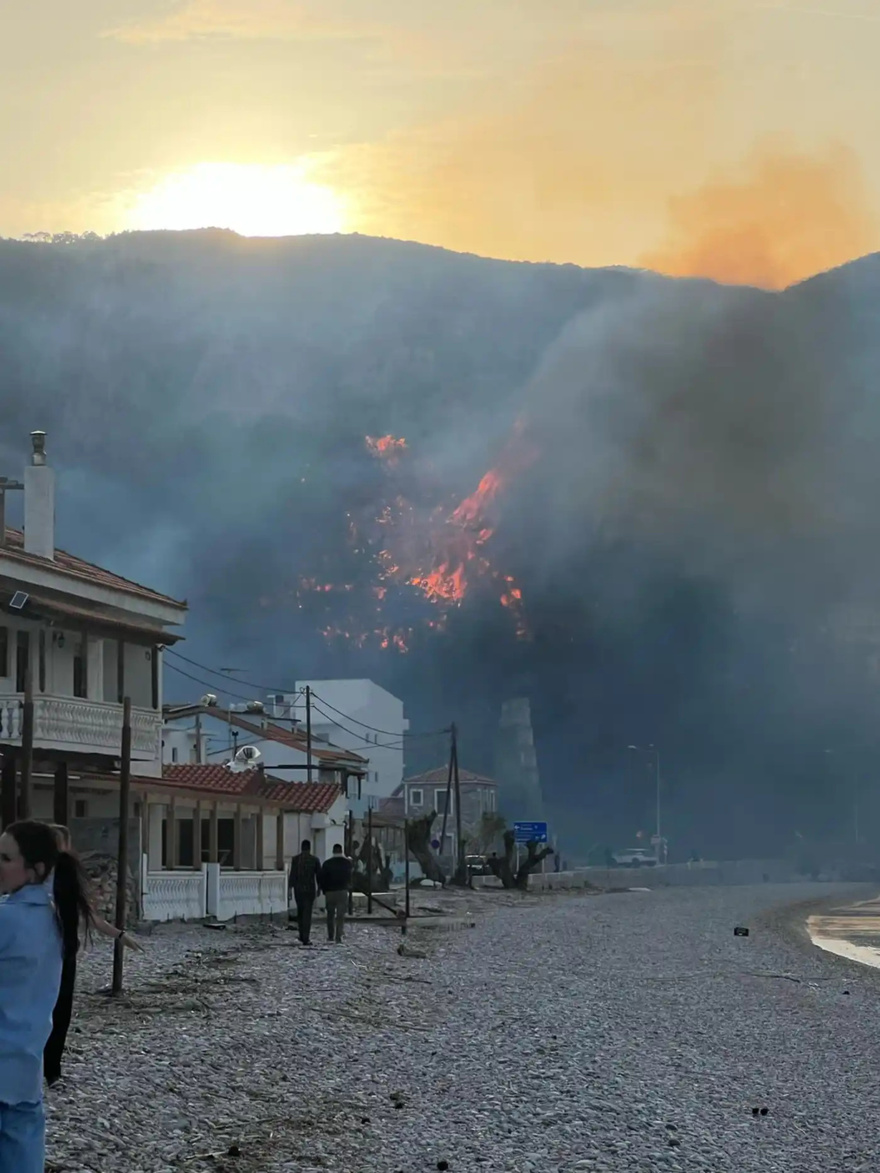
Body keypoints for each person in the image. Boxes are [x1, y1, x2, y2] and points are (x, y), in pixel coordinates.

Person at [0, 820, 93, 1173]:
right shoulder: (55, 920)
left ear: (36, 870)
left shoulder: (7, 919)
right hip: (26, 1063)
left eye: (6, 858)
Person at [43, 825, 143, 1087]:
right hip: (42, 952)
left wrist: (120, 936)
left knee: (59, 1012)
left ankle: (51, 1070)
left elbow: (91, 917)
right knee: (45, 1011)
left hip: (62, 952)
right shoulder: (34, 876)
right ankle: (39, 1068)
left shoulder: (66, 876)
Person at [288, 840, 322, 945]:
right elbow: (319, 876)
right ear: (309, 848)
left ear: (301, 847)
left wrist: (289, 889)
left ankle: (302, 934)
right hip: (310, 890)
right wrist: (319, 888)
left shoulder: (296, 860)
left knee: (300, 912)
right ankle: (305, 937)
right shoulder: (314, 860)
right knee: (307, 913)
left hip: (298, 890)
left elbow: (292, 875)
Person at [319, 843, 353, 944]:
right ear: (341, 851)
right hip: (342, 891)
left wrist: (324, 890)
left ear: (333, 851)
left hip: (330, 892)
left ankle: (330, 935)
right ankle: (338, 936)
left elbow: (322, 879)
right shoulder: (347, 863)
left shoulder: (327, 863)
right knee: (340, 915)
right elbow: (350, 877)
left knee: (330, 914)